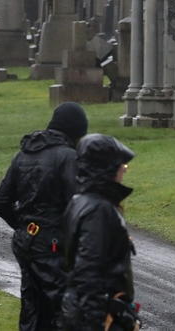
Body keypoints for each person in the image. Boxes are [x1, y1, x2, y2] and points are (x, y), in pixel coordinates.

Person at [0, 102, 88, 331]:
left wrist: (24, 225)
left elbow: (0, 202)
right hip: (54, 244)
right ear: (75, 132)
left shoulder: (23, 155)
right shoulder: (67, 157)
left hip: (27, 242)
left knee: (32, 307)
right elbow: (80, 204)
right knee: (60, 309)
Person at [61, 134, 141, 331]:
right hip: (98, 314)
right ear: (105, 169)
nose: (123, 169)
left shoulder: (80, 200)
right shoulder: (98, 210)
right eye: (120, 165)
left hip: (92, 310)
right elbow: (89, 273)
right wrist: (96, 323)